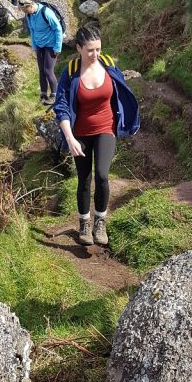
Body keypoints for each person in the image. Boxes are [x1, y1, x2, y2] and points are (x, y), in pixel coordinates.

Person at [53, 25, 140, 247]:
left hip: (106, 129)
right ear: (79, 48)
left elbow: (122, 91)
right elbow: (61, 106)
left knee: (102, 175)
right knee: (84, 178)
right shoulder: (71, 71)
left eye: (98, 49)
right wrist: (70, 139)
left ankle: (100, 221)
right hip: (80, 133)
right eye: (90, 50)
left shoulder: (109, 65)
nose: (95, 54)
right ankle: (84, 223)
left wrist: (128, 118)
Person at [23, 0, 63, 105]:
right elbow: (32, 30)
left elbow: (58, 29)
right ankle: (43, 94)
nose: (25, 13)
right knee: (41, 70)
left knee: (48, 70)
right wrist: (34, 46)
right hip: (39, 45)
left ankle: (55, 95)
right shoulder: (29, 14)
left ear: (31, 5)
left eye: (26, 10)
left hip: (51, 44)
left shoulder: (46, 12)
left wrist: (58, 47)